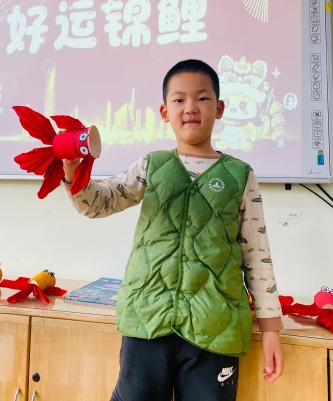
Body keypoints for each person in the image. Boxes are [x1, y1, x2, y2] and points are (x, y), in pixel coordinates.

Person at [62, 59, 284, 401]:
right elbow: (99, 203)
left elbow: (257, 253)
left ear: (220, 108)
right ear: (165, 112)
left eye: (202, 98)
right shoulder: (151, 165)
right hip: (147, 319)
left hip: (215, 326)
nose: (190, 107)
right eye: (179, 99)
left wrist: (270, 328)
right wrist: (72, 171)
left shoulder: (241, 175)